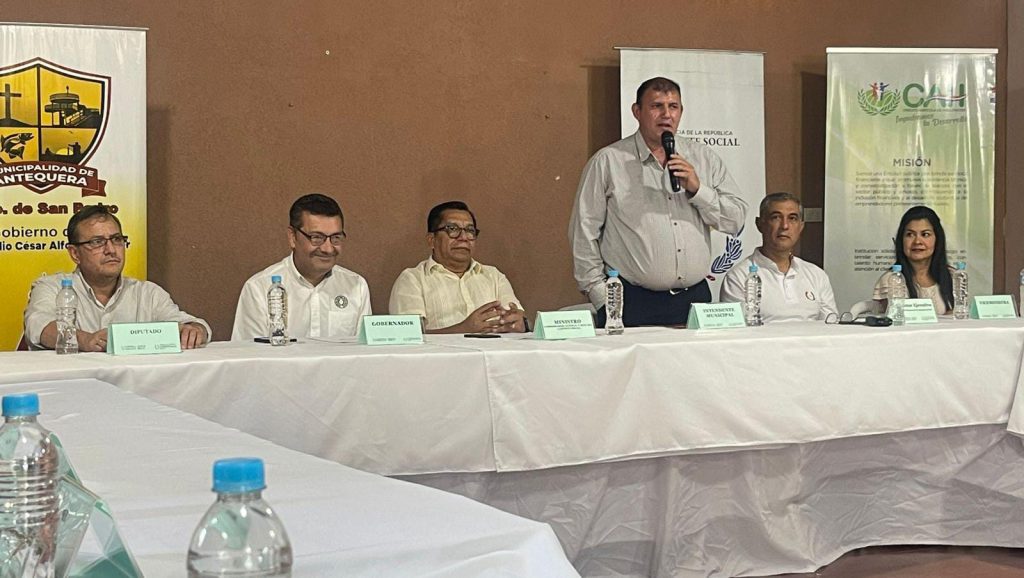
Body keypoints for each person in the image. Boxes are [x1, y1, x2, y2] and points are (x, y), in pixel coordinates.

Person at [569, 76, 748, 326]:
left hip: (695, 300)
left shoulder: (704, 158)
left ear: (681, 112)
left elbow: (735, 220)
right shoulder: (608, 161)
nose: (666, 114)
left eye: (673, 106)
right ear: (637, 111)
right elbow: (583, 232)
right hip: (632, 301)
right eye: (656, 106)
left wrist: (697, 189)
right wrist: (601, 296)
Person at [23, 204, 211, 351]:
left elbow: (188, 324)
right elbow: (38, 326)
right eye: (97, 242)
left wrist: (193, 330)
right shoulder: (53, 287)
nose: (111, 250)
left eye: (117, 239)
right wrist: (85, 340)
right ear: (75, 253)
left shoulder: (147, 293)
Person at [232, 194, 371, 340]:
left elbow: (365, 351)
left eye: (336, 238)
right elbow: (249, 352)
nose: (328, 249)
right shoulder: (259, 288)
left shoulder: (356, 286)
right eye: (317, 238)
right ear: (292, 237)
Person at [389, 201, 526, 333]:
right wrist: (463, 329)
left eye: (470, 230)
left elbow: (518, 318)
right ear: (432, 240)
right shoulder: (412, 280)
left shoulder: (494, 276)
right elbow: (408, 337)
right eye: (453, 229)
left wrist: (520, 324)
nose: (464, 237)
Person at [720, 192, 837, 322]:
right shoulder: (738, 277)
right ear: (759, 224)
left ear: (801, 227)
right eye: (776, 217)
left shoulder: (816, 275)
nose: (784, 226)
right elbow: (736, 331)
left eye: (792, 218)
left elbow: (831, 325)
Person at [873, 205, 954, 315]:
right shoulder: (891, 280)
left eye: (925, 234)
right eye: (910, 234)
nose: (917, 241)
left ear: (937, 239)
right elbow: (893, 319)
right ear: (901, 240)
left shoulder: (952, 276)